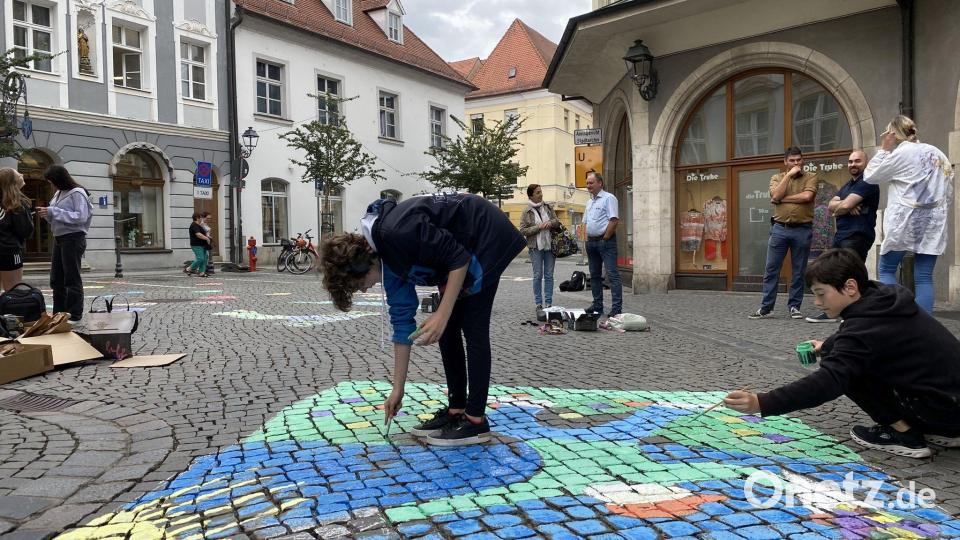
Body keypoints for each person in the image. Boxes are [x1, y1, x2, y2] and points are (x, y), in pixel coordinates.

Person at [320, 193, 525, 446]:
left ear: (363, 264)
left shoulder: (397, 233)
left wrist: (442, 312)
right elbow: (402, 324)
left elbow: (459, 259)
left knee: (473, 325)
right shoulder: (388, 266)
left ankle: (475, 421)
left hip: (484, 233)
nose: (362, 290)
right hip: (460, 251)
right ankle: (456, 410)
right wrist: (398, 389)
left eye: (357, 284)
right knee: (447, 330)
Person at [725, 248, 960, 459]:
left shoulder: (863, 328)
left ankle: (904, 435)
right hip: (950, 403)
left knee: (843, 367)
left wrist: (763, 403)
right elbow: (865, 336)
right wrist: (827, 344)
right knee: (838, 355)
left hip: (942, 410)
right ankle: (942, 430)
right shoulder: (884, 299)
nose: (817, 303)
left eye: (821, 293)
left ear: (849, 287)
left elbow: (829, 381)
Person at [863, 115, 954, 313]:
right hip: (933, 221)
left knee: (886, 269)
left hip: (904, 220)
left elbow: (870, 176)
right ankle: (926, 326)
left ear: (893, 134)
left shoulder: (900, 154)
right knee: (924, 276)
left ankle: (895, 317)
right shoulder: (937, 153)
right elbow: (948, 190)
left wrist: (884, 150)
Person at [806, 150, 880, 323]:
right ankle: (836, 311)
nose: (853, 164)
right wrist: (844, 206)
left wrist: (843, 205)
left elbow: (842, 204)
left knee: (850, 275)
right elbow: (831, 205)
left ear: (865, 163)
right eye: (850, 161)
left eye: (857, 161)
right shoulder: (848, 185)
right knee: (832, 271)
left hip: (858, 235)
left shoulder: (868, 182)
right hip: (842, 235)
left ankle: (855, 313)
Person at [749, 147, 819, 320]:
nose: (797, 163)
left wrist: (782, 199)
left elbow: (807, 197)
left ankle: (794, 306)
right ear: (785, 162)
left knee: (798, 270)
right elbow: (775, 194)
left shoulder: (811, 176)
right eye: (792, 160)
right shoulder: (777, 178)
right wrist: (788, 176)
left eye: (799, 160)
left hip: (802, 229)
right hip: (780, 229)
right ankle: (767, 307)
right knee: (771, 268)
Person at [37, 165, 92, 321]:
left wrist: (53, 212)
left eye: (51, 181)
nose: (51, 185)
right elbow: (57, 216)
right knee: (56, 278)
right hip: (60, 238)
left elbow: (80, 217)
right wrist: (47, 213)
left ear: (59, 180)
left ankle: (74, 314)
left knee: (71, 278)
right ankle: (59, 313)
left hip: (73, 238)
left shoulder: (77, 193)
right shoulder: (58, 194)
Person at [583, 171, 622, 317]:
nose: (588, 186)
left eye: (591, 183)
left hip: (606, 241)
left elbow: (614, 220)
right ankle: (598, 306)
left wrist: (605, 239)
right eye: (587, 183)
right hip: (591, 242)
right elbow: (585, 222)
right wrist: (586, 239)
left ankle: (616, 308)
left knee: (612, 275)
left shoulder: (609, 198)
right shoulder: (589, 202)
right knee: (594, 276)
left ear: (600, 183)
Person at [519, 184, 560, 311]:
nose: (541, 194)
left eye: (541, 192)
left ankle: (548, 303)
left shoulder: (547, 207)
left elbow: (556, 221)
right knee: (537, 275)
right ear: (531, 195)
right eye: (538, 192)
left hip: (549, 245)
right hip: (535, 247)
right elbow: (523, 230)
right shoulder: (526, 211)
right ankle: (538, 303)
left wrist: (550, 223)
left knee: (549, 275)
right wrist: (539, 227)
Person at [0, 168, 34, 291]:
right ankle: (9, 311)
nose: (22, 174)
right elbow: (25, 231)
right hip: (9, 252)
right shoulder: (16, 204)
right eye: (18, 174)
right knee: (13, 291)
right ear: (13, 183)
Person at [186, 213, 211, 277]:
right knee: (200, 258)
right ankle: (189, 268)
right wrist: (207, 238)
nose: (202, 219)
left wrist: (207, 236)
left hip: (203, 245)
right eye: (201, 218)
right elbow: (198, 234)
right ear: (197, 218)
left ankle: (201, 272)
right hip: (196, 245)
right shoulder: (194, 225)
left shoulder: (199, 225)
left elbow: (205, 231)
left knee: (205, 258)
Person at [201, 211, 215, 275]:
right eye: (207, 218)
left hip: (208, 241)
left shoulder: (206, 224)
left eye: (210, 218)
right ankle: (204, 269)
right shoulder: (201, 224)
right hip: (204, 241)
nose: (208, 219)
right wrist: (207, 236)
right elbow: (201, 233)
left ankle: (209, 269)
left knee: (209, 256)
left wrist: (210, 237)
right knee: (205, 255)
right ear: (203, 217)